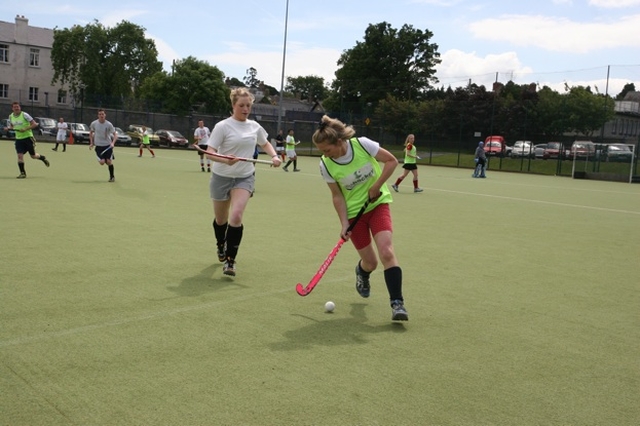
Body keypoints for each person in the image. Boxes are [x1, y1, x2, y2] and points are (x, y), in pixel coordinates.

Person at [312, 115, 408, 321]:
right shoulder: (326, 165)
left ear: (339, 142)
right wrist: (344, 223)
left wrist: (377, 185)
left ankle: (397, 303)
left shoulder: (362, 145)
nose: (325, 155)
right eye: (322, 152)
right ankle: (362, 272)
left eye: (327, 150)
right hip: (355, 216)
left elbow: (391, 161)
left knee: (387, 252)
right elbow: (337, 196)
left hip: (378, 205)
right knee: (371, 263)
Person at [204, 87, 282, 276]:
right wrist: (226, 160)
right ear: (233, 105)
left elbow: (265, 143)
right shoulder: (223, 126)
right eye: (241, 105)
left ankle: (230, 261)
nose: (245, 109)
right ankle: (220, 244)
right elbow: (210, 152)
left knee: (236, 216)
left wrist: (274, 156)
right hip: (221, 177)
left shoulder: (254, 126)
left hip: (244, 177)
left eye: (248, 105)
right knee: (221, 220)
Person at [4, 101, 49, 178]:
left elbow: (34, 124)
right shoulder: (11, 116)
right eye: (15, 107)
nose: (16, 108)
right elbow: (12, 126)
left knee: (33, 156)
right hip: (18, 139)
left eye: (17, 107)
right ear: (12, 108)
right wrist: (8, 128)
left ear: (20, 107)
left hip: (28, 138)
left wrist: (25, 128)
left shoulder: (24, 115)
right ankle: (23, 173)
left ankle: (42, 158)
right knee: (20, 156)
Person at [89, 109, 118, 182]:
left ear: (105, 115)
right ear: (98, 115)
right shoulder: (94, 123)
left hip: (108, 146)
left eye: (102, 114)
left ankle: (112, 177)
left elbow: (115, 135)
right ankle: (103, 159)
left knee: (108, 162)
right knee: (102, 162)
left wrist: (112, 143)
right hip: (98, 146)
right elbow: (91, 133)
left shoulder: (109, 124)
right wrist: (91, 143)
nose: (101, 115)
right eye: (100, 114)